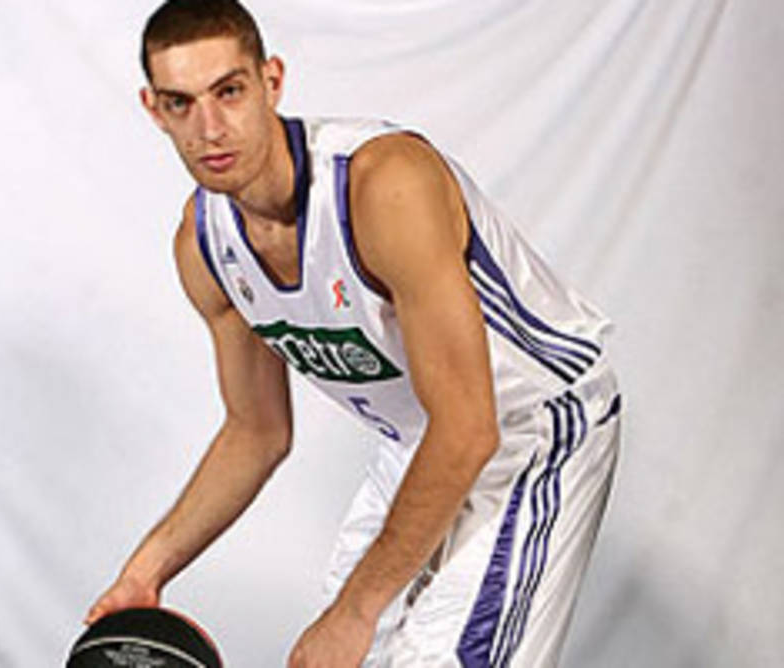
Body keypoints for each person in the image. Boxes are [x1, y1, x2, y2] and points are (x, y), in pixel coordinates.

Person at [86, 1, 623, 666]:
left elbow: (470, 427)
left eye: (229, 91)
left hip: (535, 426)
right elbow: (256, 432)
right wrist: (145, 571)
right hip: (422, 436)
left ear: (271, 81)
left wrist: (355, 611)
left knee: (394, 644)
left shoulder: (382, 185)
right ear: (154, 110)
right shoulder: (205, 247)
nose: (210, 128)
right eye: (181, 103)